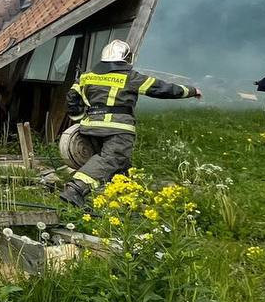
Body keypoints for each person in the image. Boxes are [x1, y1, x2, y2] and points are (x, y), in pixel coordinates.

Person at [59, 39, 202, 208]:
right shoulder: (130, 77)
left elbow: (72, 99)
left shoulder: (87, 76)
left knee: (121, 167)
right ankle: (75, 189)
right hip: (118, 129)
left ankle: (125, 200)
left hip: (90, 129)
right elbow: (161, 89)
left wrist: (80, 117)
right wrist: (192, 91)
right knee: (112, 160)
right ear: (127, 58)